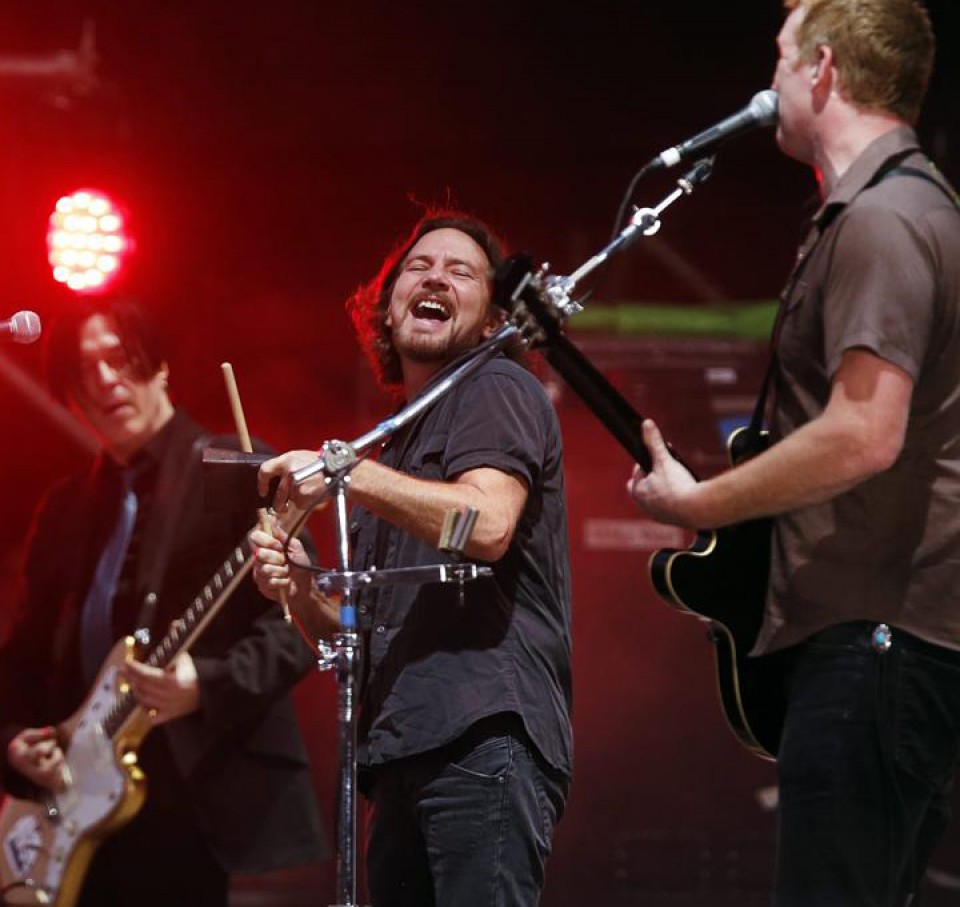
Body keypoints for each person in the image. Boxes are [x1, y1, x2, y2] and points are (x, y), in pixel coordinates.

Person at [627, 1, 960, 904]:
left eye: (778, 58)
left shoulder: (885, 220)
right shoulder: (892, 209)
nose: (765, 82)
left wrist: (700, 508)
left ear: (821, 68)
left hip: (874, 647)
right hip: (878, 645)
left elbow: (864, 430)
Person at [251, 212, 573, 907]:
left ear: (494, 320)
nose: (434, 276)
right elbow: (350, 644)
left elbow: (485, 524)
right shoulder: (391, 458)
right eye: (418, 268)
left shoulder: (496, 388)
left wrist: (345, 472)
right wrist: (297, 580)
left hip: (480, 738)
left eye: (461, 271)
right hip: (397, 750)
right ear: (385, 309)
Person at [0, 299, 326, 907]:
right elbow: (21, 658)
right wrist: (16, 740)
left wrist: (205, 683)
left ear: (162, 366)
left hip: (197, 802)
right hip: (76, 800)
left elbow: (298, 623)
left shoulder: (231, 467)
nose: (103, 381)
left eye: (120, 360)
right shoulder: (65, 507)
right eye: (83, 369)